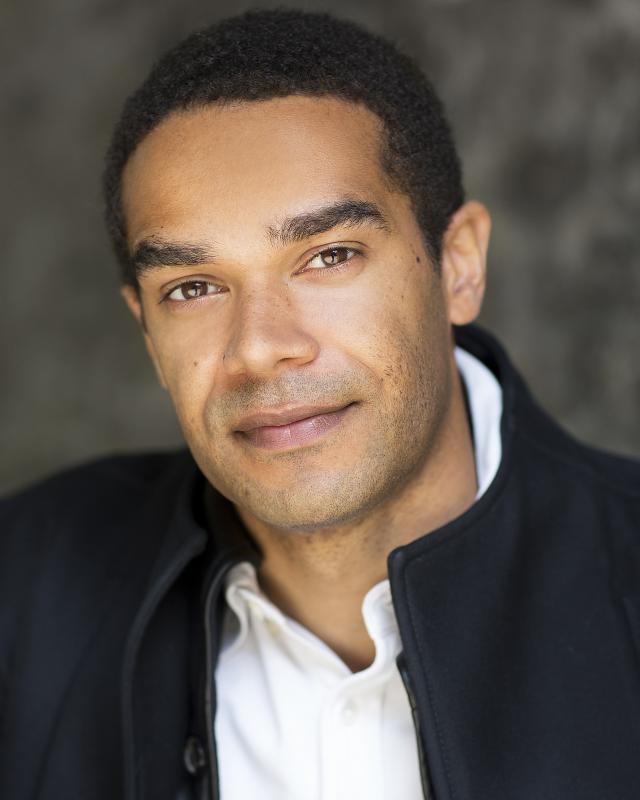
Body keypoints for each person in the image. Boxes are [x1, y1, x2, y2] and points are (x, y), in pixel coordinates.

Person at [1, 7, 639, 800]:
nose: (259, 347)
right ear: (147, 331)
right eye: (193, 288)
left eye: (329, 256)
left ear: (459, 266)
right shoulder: (22, 591)